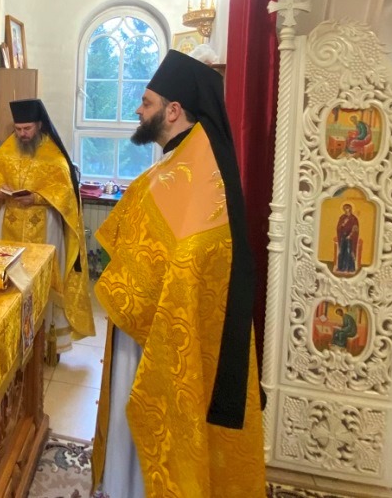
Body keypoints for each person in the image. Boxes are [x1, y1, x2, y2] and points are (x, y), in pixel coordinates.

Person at [91, 50, 265, 497]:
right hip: (158, 318)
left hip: (159, 327)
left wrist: (132, 281)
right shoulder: (194, 157)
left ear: (173, 111)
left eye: (146, 102)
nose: (138, 110)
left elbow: (184, 253)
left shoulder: (191, 166)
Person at [0, 99, 95, 363]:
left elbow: (65, 194)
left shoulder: (54, 156)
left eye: (27, 128)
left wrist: (38, 197)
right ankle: (10, 341)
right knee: (10, 281)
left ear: (39, 125)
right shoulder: (5, 151)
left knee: (42, 280)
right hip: (9, 223)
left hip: (45, 225)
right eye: (18, 129)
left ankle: (46, 342)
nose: (22, 134)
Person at [335, 203, 359, 274]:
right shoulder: (342, 217)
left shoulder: (354, 218)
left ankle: (349, 268)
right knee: (342, 252)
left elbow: (355, 229)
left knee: (348, 252)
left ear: (350, 209)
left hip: (350, 238)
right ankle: (341, 268)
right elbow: (338, 228)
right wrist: (342, 224)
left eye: (347, 208)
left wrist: (350, 235)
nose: (346, 210)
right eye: (345, 209)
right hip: (343, 236)